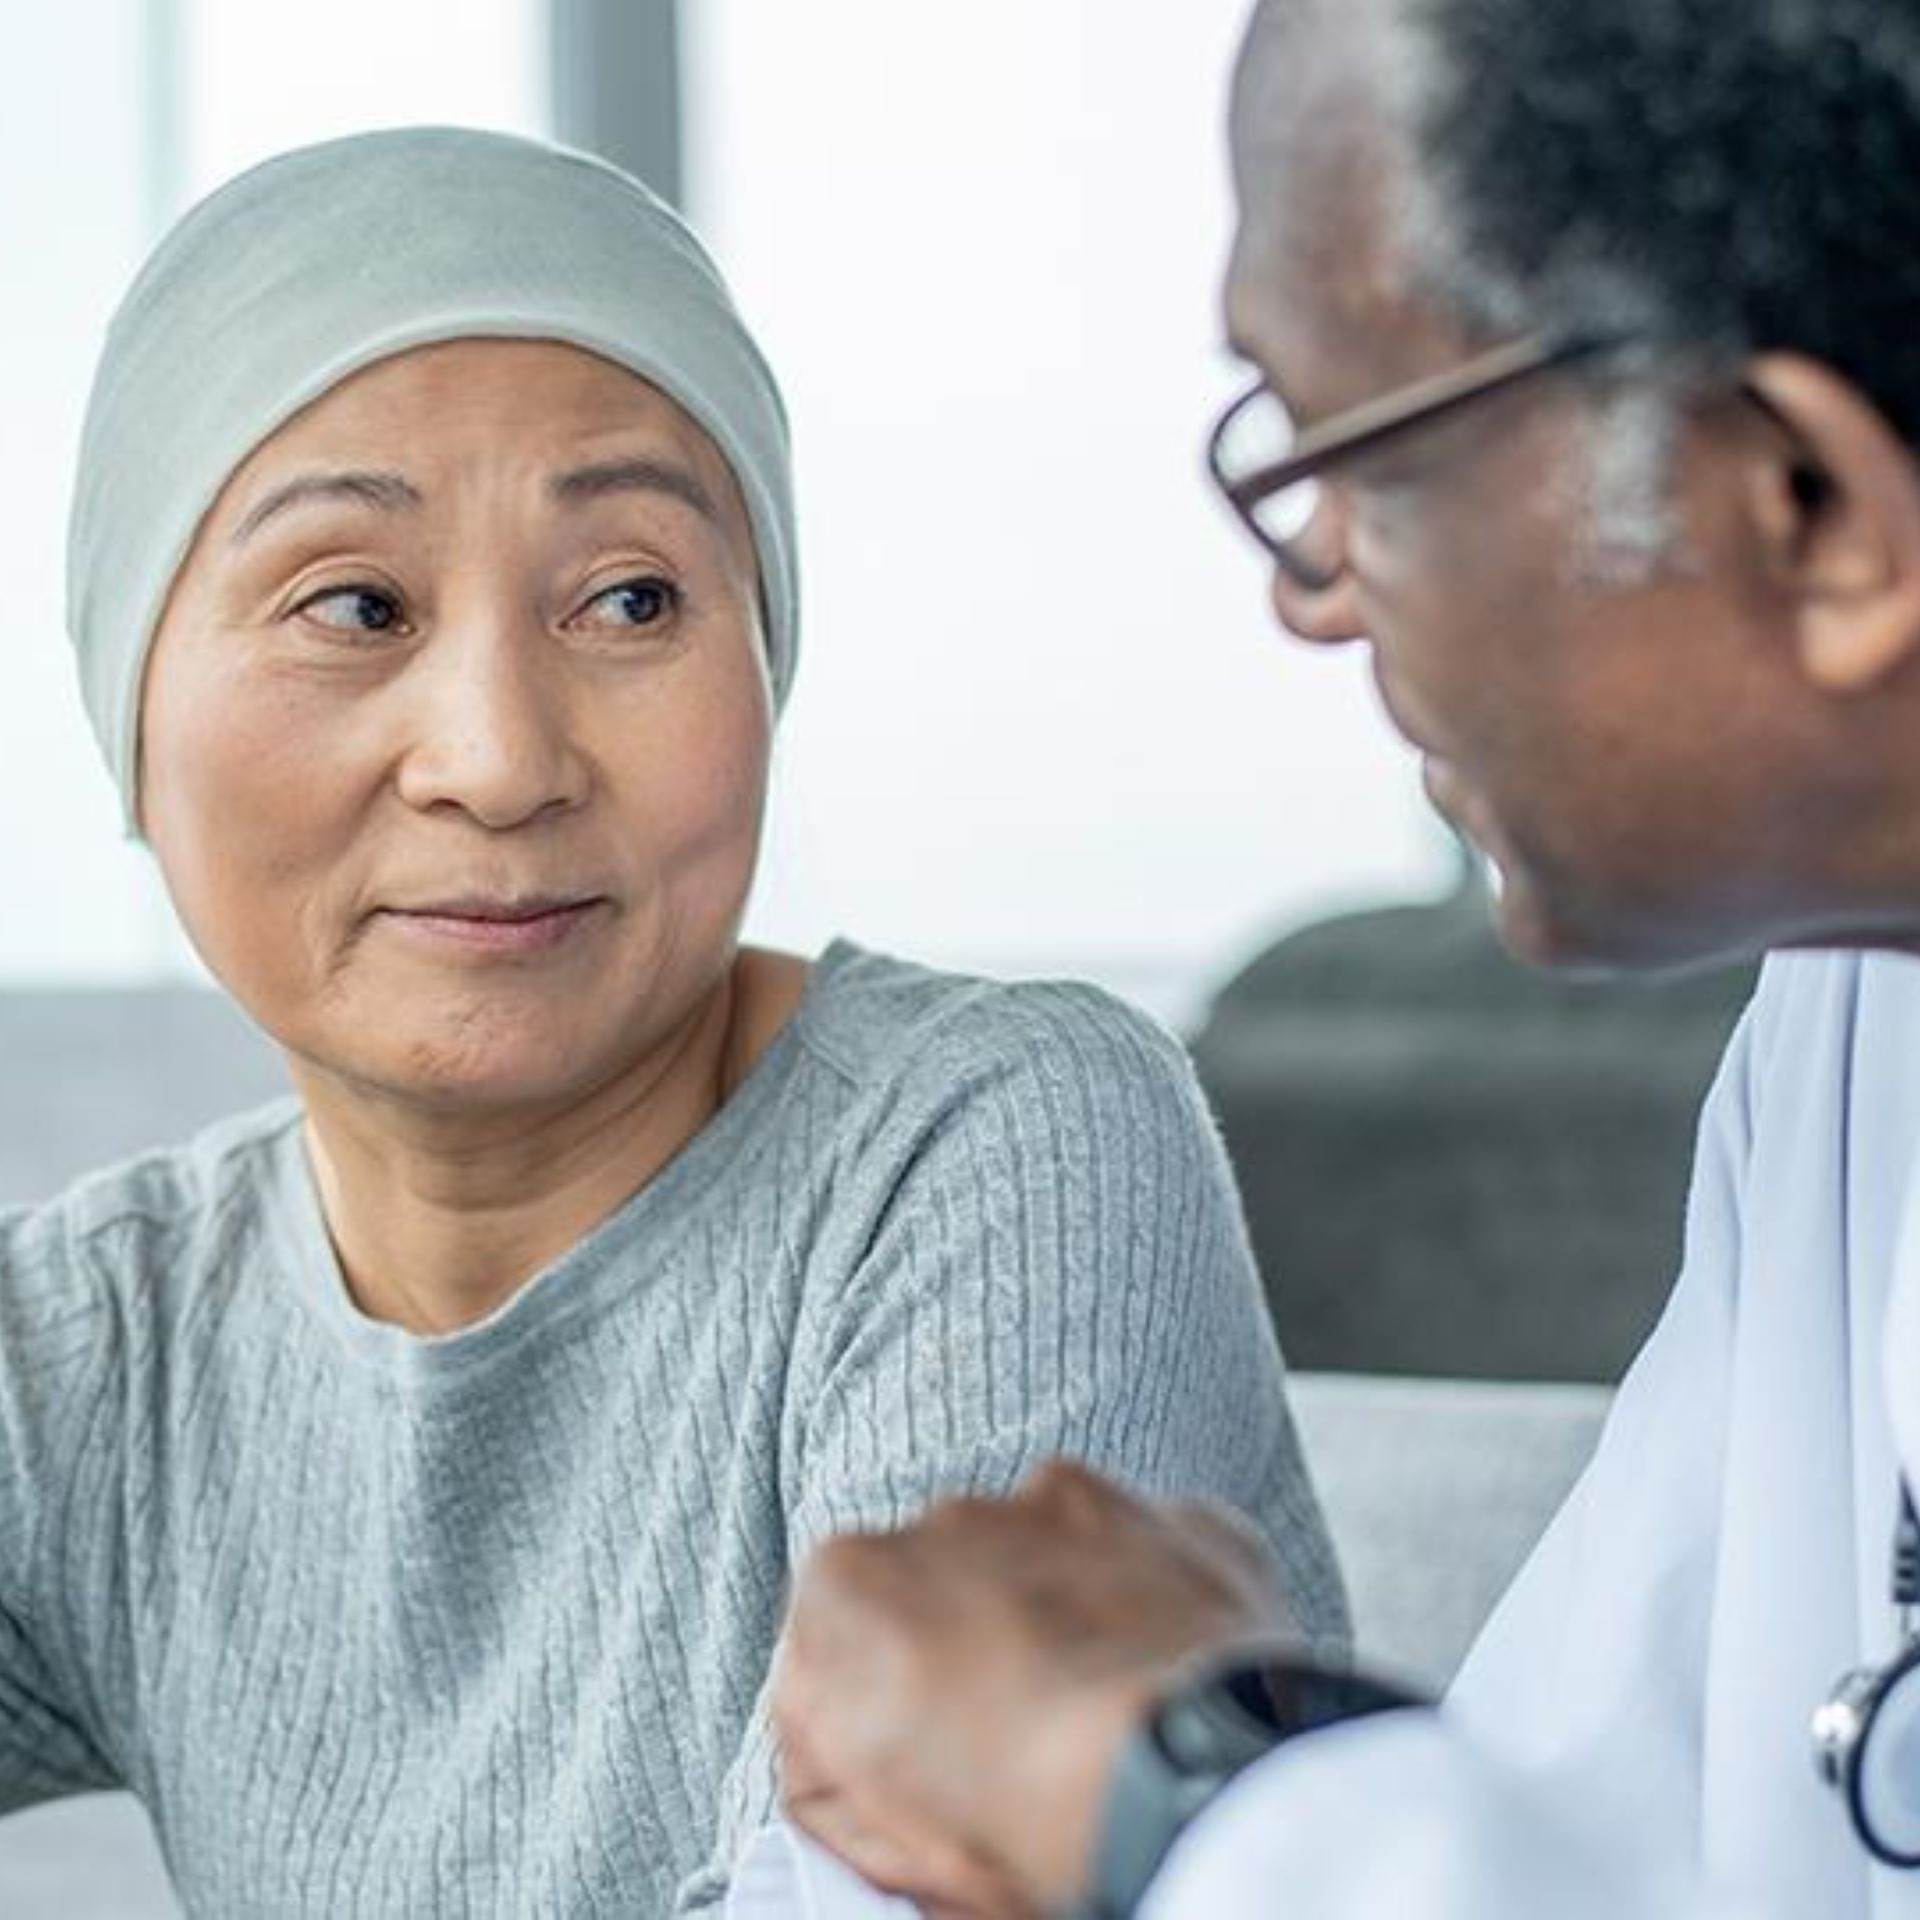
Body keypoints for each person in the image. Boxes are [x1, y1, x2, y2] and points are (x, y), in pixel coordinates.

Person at [0, 127, 1347, 1916]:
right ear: (130, 714)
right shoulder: (105, 1352)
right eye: (356, 605)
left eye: (632, 598)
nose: (496, 759)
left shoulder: (995, 1144)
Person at [770, 1, 1920, 1915]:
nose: (1311, 588)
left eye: (1360, 456)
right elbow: (1594, 1822)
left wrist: (1197, 1783)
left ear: (1804, 504)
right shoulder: (1852, 1014)